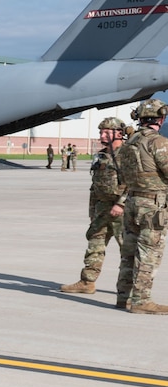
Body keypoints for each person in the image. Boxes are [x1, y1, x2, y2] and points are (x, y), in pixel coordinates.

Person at [60, 117, 128, 295]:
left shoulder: (128, 154)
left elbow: (134, 183)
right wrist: (92, 210)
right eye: (101, 132)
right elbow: (95, 185)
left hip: (122, 211)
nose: (102, 135)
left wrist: (121, 204)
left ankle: (130, 288)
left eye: (106, 132)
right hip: (102, 208)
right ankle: (87, 282)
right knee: (94, 245)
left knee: (128, 250)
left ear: (119, 133)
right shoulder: (101, 154)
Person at [113, 98, 168, 314]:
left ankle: (123, 296)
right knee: (149, 252)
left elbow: (123, 176)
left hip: (132, 201)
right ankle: (141, 300)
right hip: (152, 205)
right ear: (160, 118)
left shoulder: (128, 144)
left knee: (129, 251)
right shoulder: (158, 143)